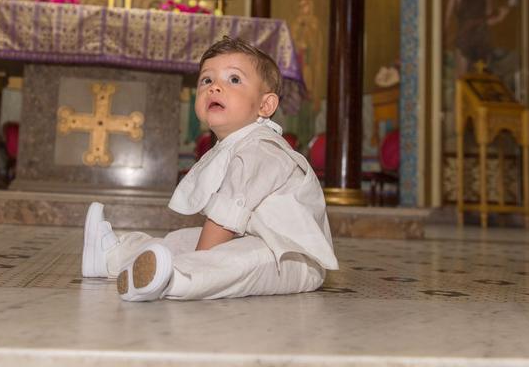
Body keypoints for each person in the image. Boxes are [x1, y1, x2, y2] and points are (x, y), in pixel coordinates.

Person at [81, 37, 338, 301]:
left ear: (265, 105)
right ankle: (113, 255)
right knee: (180, 240)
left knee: (236, 259)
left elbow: (224, 219)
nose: (215, 87)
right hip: (250, 237)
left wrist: (201, 259)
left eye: (234, 79)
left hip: (291, 257)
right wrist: (194, 250)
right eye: (207, 80)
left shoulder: (261, 149)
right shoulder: (234, 144)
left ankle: (174, 278)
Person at [444, 0, 509, 75]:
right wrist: (440, 39)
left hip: (482, 42)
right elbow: (446, 18)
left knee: (480, 79)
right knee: (462, 80)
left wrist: (501, 15)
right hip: (464, 41)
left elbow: (488, 21)